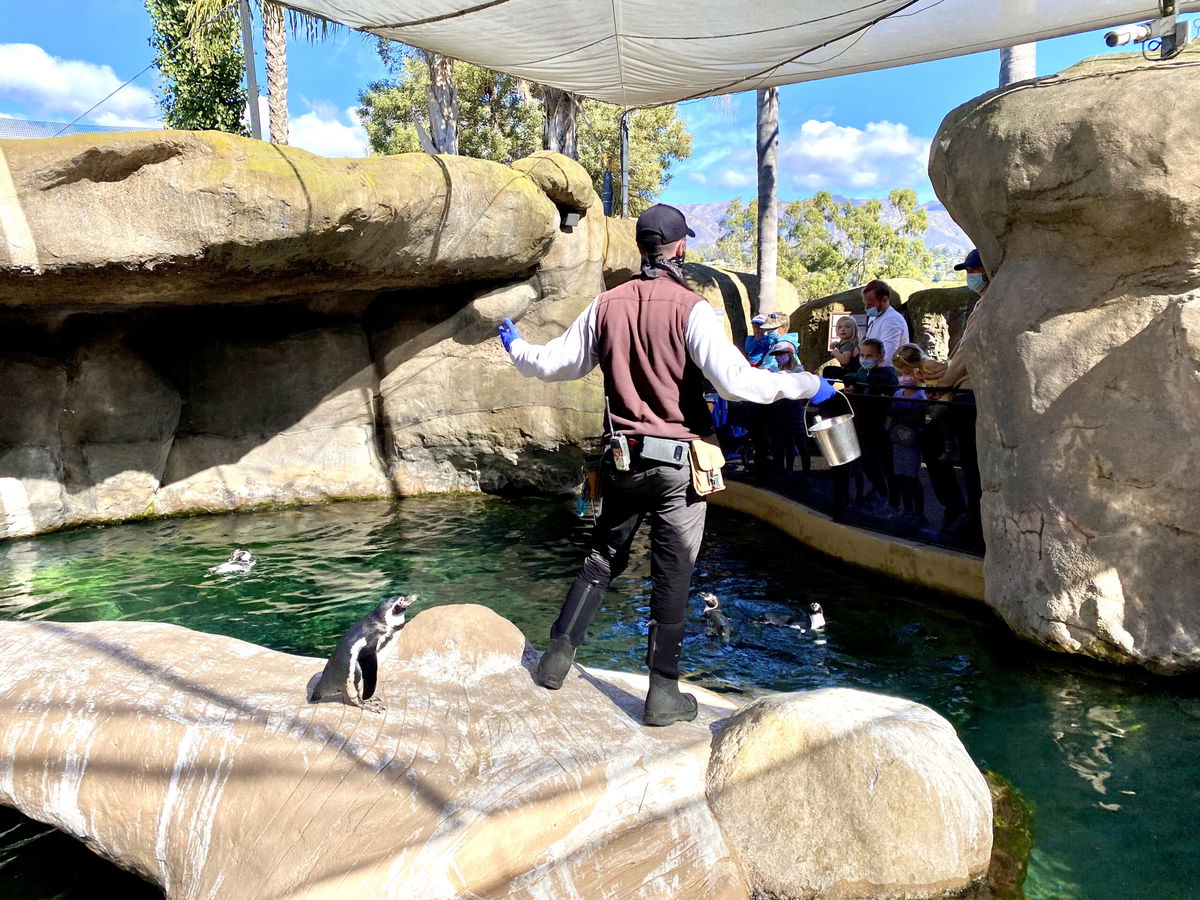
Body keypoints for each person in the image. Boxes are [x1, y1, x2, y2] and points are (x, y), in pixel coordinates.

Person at [498, 203, 835, 726]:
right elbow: (737, 384)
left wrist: (517, 347)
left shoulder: (605, 305)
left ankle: (555, 661)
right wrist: (807, 385)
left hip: (623, 461)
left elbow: (553, 364)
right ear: (680, 248)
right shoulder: (692, 307)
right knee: (672, 572)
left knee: (602, 556)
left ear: (641, 248)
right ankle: (661, 694)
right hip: (681, 466)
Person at [936, 249, 987, 545]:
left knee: (971, 462)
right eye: (968, 271)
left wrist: (943, 383)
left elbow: (967, 354)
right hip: (960, 389)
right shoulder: (979, 305)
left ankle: (973, 519)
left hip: (970, 395)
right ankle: (964, 511)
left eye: (973, 270)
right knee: (965, 460)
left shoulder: (990, 304)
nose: (970, 276)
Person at [847, 337, 899, 510]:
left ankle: (894, 501)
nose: (864, 359)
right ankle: (879, 490)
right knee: (866, 461)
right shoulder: (861, 372)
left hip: (881, 424)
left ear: (880, 356)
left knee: (886, 464)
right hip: (862, 422)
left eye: (869, 355)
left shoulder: (888, 374)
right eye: (862, 355)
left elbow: (888, 397)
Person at [861, 280, 910, 366]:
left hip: (887, 374)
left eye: (870, 304)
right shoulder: (874, 316)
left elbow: (887, 358)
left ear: (884, 300)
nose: (866, 308)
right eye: (865, 304)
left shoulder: (892, 320)